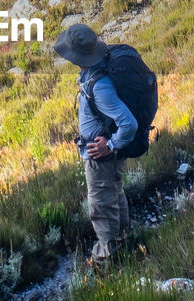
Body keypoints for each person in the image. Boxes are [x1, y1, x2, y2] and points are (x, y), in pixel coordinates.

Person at [53, 23, 137, 266]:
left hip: (102, 158)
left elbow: (128, 124)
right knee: (115, 195)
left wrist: (109, 145)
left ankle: (108, 261)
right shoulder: (96, 72)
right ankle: (124, 243)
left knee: (101, 206)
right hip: (109, 155)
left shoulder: (100, 86)